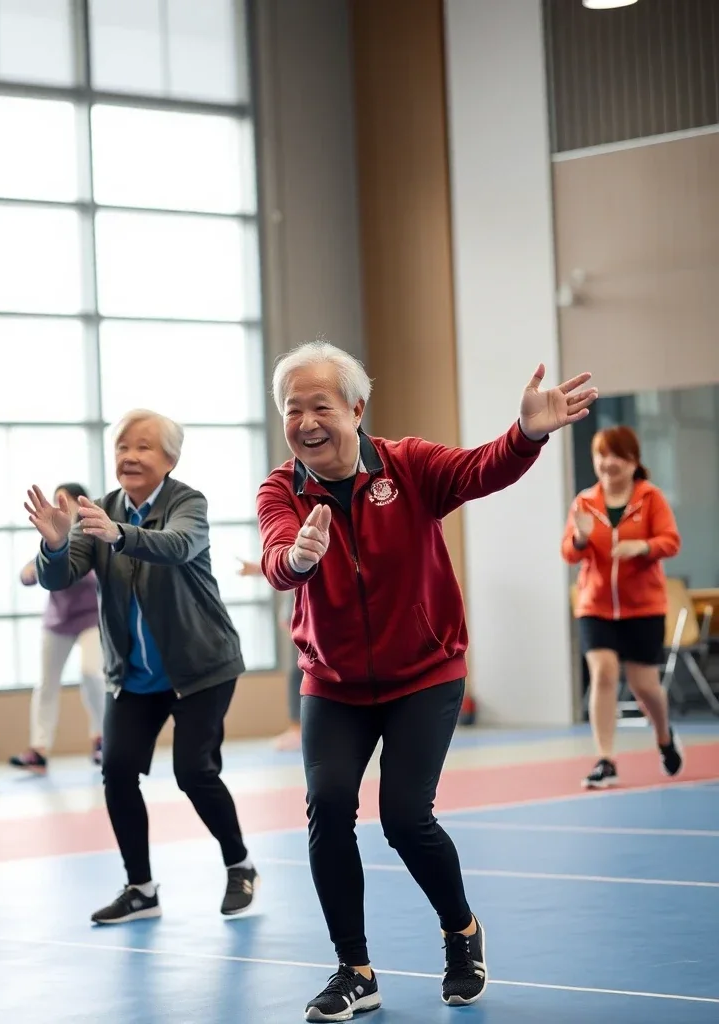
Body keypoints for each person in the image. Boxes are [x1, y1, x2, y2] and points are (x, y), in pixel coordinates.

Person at [256, 340, 598, 1019]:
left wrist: (527, 433)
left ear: (356, 409)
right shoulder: (281, 489)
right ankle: (354, 970)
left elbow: (481, 468)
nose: (306, 422)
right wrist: (297, 558)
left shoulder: (407, 465)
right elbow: (275, 555)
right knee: (328, 807)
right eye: (292, 410)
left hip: (424, 673)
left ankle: (461, 931)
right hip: (334, 682)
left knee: (405, 818)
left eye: (320, 406)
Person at [27, 409, 258, 924]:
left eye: (143, 447)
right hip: (134, 676)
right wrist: (56, 544)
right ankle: (141, 889)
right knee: (116, 771)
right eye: (122, 447)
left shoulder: (188, 503)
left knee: (193, 772)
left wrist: (119, 534)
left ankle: (240, 865)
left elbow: (178, 546)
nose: (129, 456)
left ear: (170, 459)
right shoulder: (99, 509)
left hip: (201, 667)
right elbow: (59, 577)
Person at [562, 425, 683, 789]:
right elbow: (569, 553)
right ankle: (605, 760)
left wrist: (642, 547)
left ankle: (664, 735)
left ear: (633, 461)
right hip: (595, 605)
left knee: (645, 686)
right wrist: (580, 538)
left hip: (643, 606)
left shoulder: (650, 498)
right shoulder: (585, 502)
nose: (608, 462)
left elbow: (671, 541)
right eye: (601, 455)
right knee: (603, 674)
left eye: (616, 455)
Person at [11, 483, 105, 773]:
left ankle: (101, 738)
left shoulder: (93, 535)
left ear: (81, 502)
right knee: (46, 683)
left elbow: (96, 574)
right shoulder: (53, 535)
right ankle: (38, 751)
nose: (59, 504)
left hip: (90, 619)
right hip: (57, 621)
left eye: (65, 499)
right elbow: (29, 573)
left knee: (92, 673)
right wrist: (34, 570)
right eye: (56, 499)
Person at [237, 558, 302, 750]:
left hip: (306, 620)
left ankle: (299, 729)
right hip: (297, 619)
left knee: (300, 674)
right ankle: (298, 728)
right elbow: (285, 568)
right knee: (296, 673)